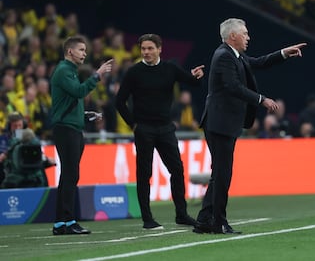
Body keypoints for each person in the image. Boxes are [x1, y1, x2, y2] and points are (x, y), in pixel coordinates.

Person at [193, 18, 306, 234]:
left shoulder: (234, 55)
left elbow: (258, 62)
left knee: (219, 173)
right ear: (232, 36)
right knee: (223, 173)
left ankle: (205, 219)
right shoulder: (223, 56)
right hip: (219, 123)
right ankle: (218, 222)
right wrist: (261, 99)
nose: (248, 37)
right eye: (244, 33)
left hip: (223, 122)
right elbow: (233, 86)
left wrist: (284, 53)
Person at [115, 33, 205, 230]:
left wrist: (196, 76)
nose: (146, 52)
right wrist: (133, 124)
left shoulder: (170, 68)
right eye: (143, 49)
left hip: (165, 128)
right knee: (144, 174)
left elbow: (191, 81)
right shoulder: (133, 72)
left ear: (159, 49)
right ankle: (147, 219)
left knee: (177, 170)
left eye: (150, 48)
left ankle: (181, 214)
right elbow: (119, 101)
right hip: (144, 129)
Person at [50, 36, 113, 235]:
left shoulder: (69, 71)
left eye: (85, 50)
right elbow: (78, 92)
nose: (85, 53)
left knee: (70, 175)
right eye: (81, 50)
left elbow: (69, 101)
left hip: (73, 128)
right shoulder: (63, 71)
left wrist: (84, 115)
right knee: (70, 174)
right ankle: (65, 221)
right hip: (66, 130)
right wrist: (97, 75)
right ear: (70, 52)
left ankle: (63, 222)